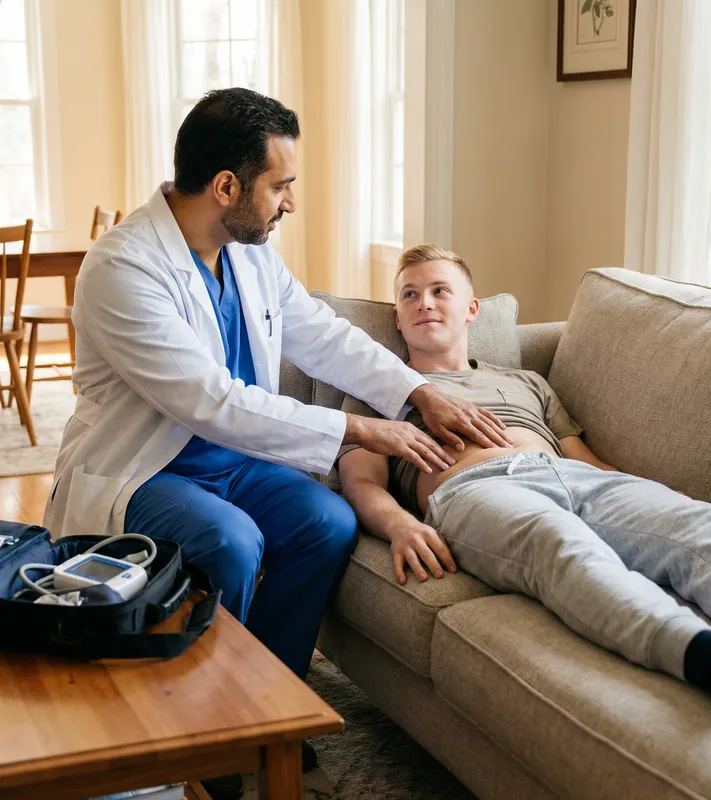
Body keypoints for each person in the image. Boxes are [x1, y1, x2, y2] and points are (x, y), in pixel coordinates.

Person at [46, 90, 512, 785]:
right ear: (227, 185)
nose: (291, 202)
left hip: (235, 460)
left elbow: (323, 337)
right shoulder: (124, 267)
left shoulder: (251, 254)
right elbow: (210, 402)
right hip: (146, 471)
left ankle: (266, 711)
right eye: (281, 185)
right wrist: (363, 427)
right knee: (231, 543)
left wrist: (418, 393)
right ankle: (205, 739)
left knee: (325, 521)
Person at [338, 243, 711, 721]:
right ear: (396, 317)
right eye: (410, 295)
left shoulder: (527, 381)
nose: (425, 303)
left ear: (472, 309)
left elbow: (585, 459)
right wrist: (398, 525)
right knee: (560, 544)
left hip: (568, 474)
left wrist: (652, 493)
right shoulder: (377, 390)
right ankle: (707, 657)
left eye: (439, 291)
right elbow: (360, 480)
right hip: (474, 489)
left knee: (704, 524)